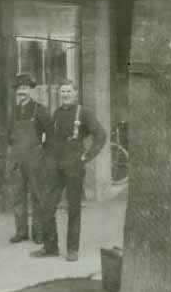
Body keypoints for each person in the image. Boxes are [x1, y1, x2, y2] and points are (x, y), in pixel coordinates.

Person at [31, 79, 106, 262]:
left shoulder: (84, 113)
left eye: (68, 91)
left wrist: (87, 156)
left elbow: (101, 135)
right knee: (46, 206)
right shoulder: (56, 113)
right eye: (62, 92)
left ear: (75, 93)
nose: (65, 94)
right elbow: (50, 138)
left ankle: (73, 249)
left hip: (74, 166)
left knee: (73, 209)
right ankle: (51, 247)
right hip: (55, 166)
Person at [6, 73, 49, 244]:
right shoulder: (13, 111)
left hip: (35, 159)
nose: (21, 92)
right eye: (19, 89)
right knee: (18, 195)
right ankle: (21, 231)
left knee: (37, 196)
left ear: (31, 91)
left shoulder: (40, 110)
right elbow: (9, 136)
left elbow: (50, 134)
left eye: (24, 89)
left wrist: (43, 153)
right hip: (17, 159)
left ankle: (38, 232)